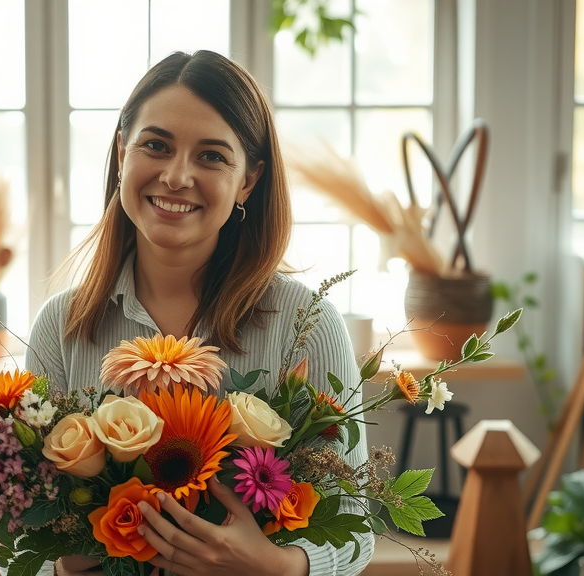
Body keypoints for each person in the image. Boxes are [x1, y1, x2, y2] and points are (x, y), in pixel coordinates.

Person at [25, 50, 373, 576]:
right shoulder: (60, 326)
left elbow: (355, 527)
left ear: (249, 182)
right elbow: (18, 545)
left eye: (212, 156)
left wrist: (278, 569)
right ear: (122, 154)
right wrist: (63, 563)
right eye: (156, 145)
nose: (177, 176)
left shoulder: (307, 325)